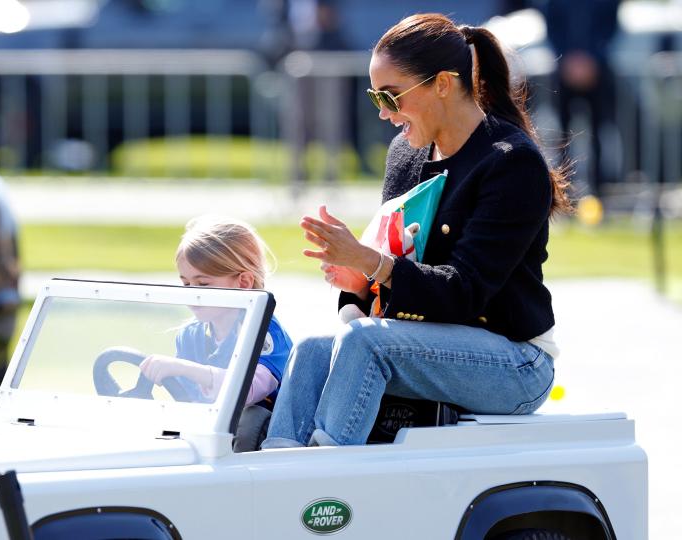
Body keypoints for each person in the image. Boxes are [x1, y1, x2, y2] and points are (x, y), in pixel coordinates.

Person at [262, 13, 571, 448]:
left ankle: (324, 487)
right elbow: (387, 265)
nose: (386, 115)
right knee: (312, 348)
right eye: (375, 98)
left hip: (514, 362)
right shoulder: (404, 155)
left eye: (392, 97)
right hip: (427, 342)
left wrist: (369, 263)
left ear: (443, 83)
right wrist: (357, 284)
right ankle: (278, 470)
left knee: (365, 343)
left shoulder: (510, 162)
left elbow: (462, 292)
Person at [139, 216, 293, 408]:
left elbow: (248, 391)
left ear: (243, 283)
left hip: (258, 433)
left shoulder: (264, 332)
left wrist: (187, 369)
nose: (191, 293)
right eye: (186, 284)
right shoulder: (190, 336)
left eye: (203, 284)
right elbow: (186, 400)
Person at [542, 0, 621, 202]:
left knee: (599, 132)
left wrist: (592, 60)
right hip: (563, 71)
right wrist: (566, 60)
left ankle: (599, 193)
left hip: (598, 72)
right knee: (562, 135)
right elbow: (552, 26)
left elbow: (610, 26)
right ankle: (563, 193)